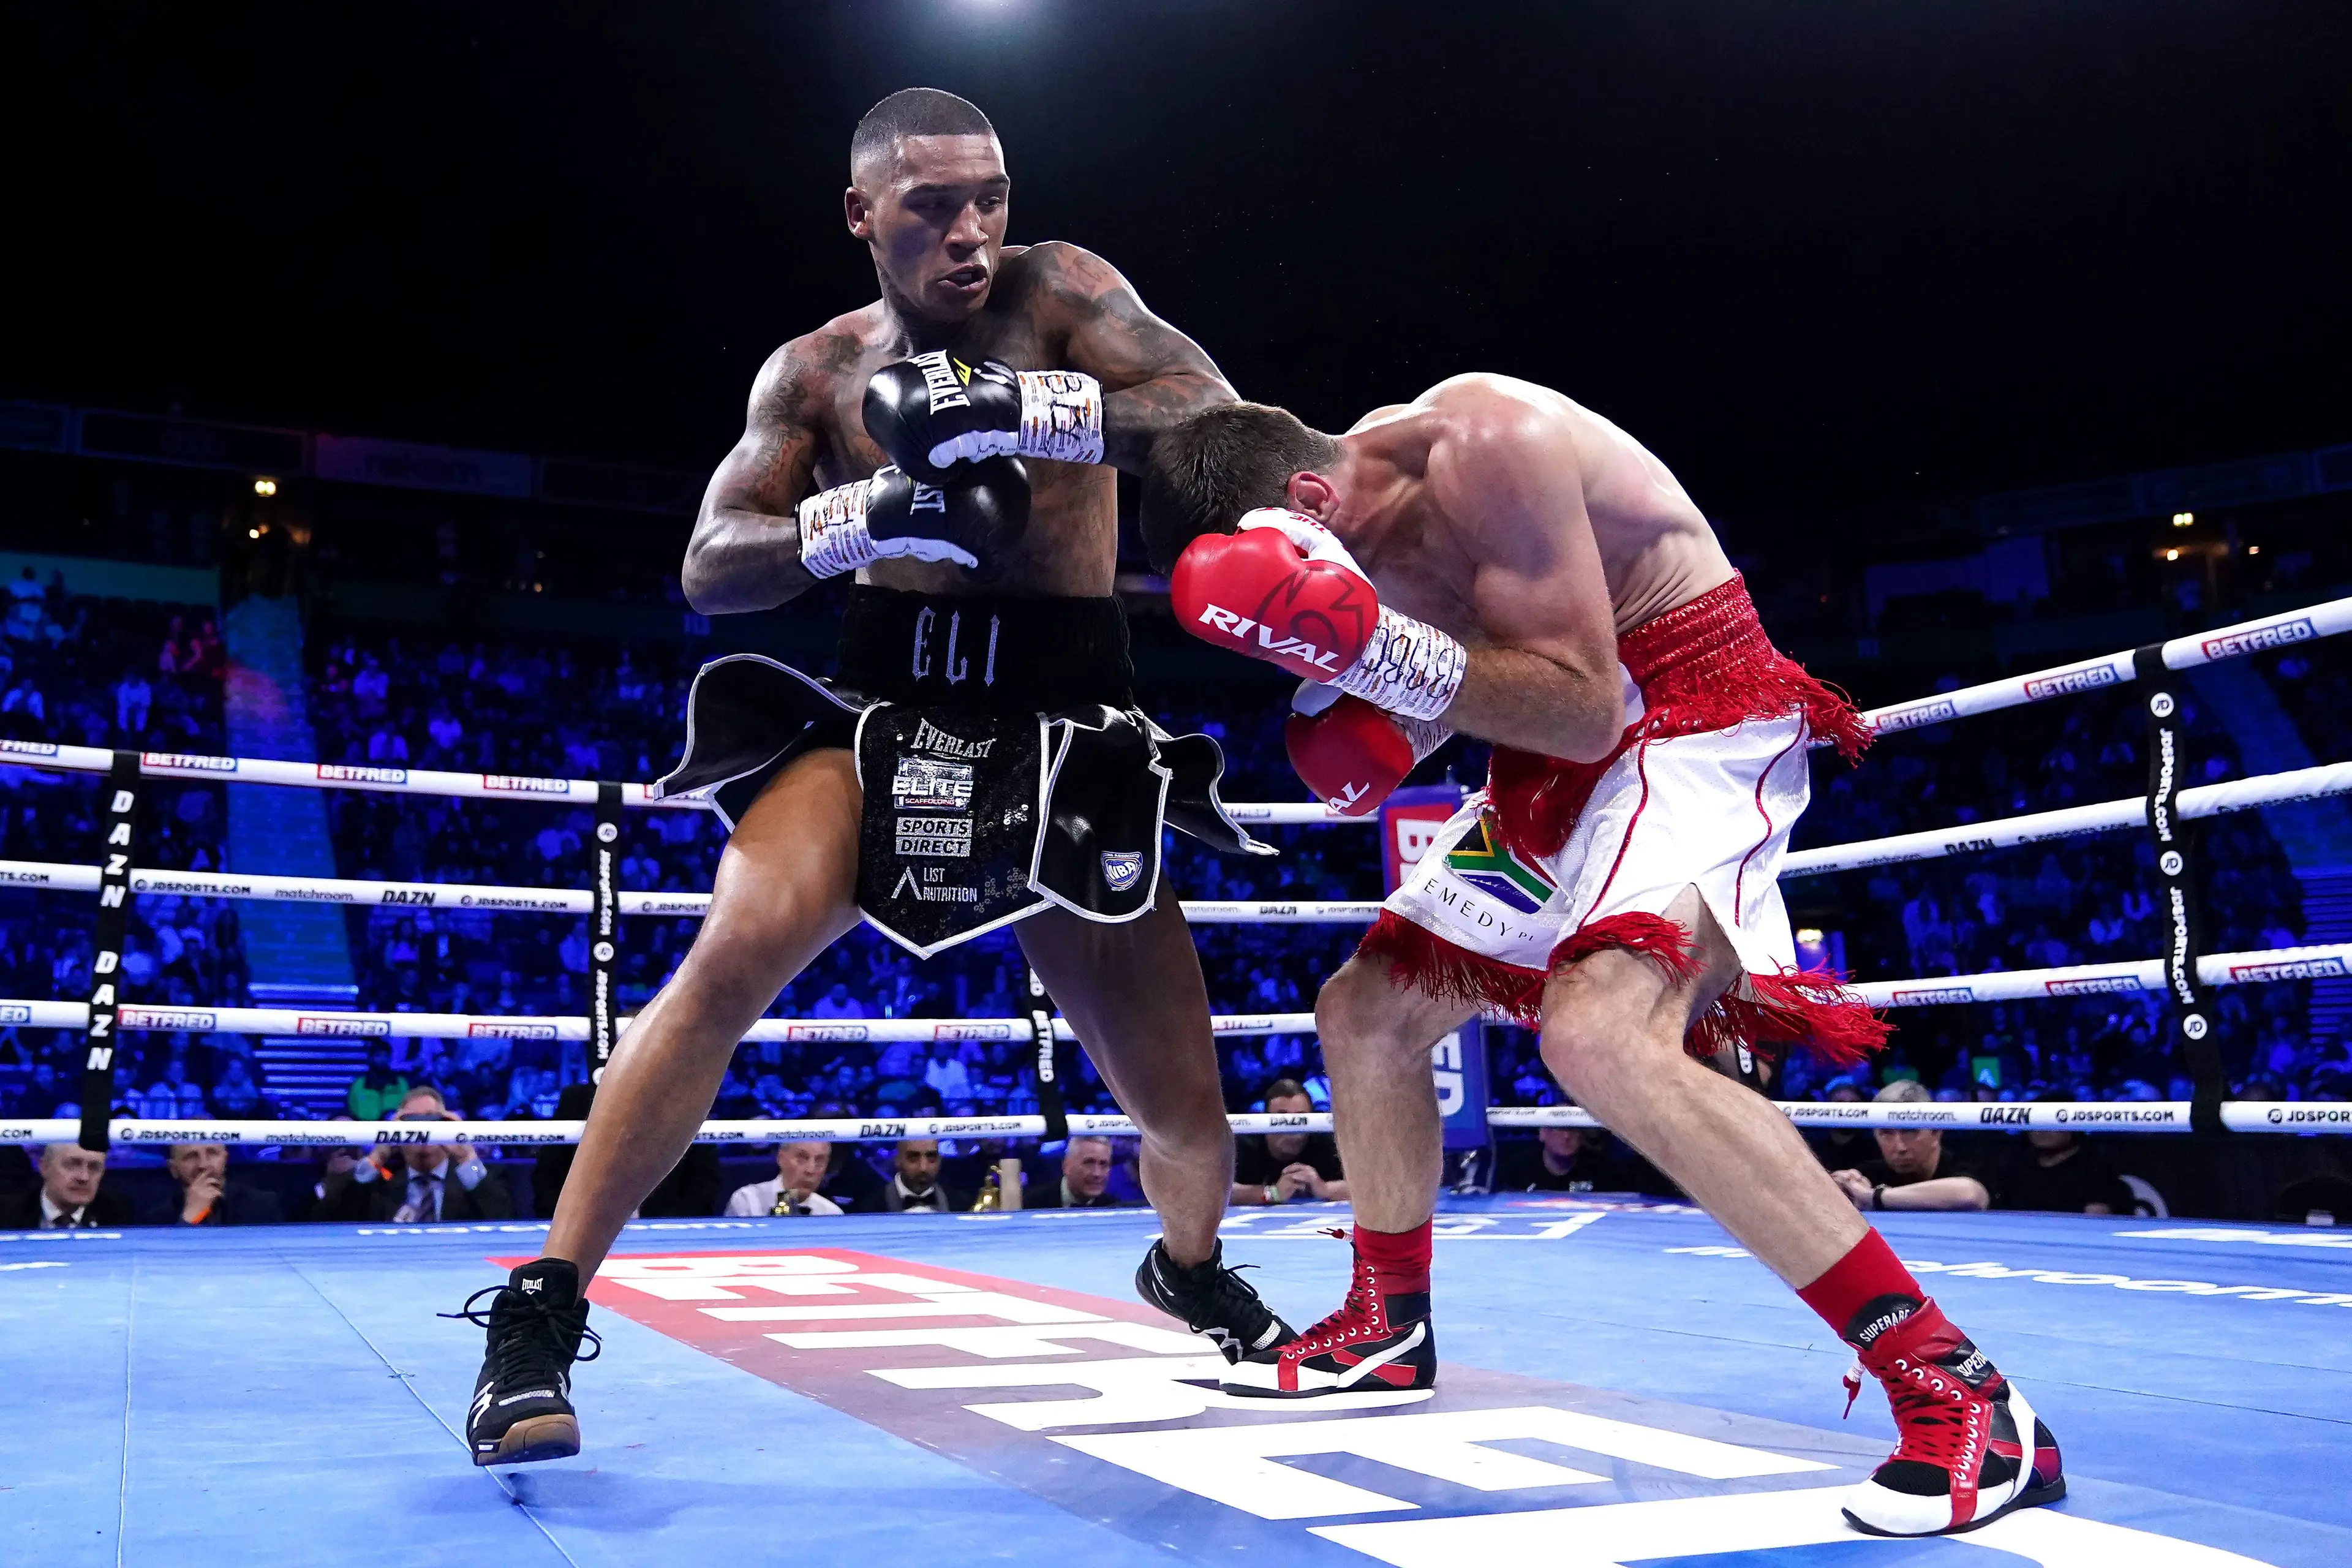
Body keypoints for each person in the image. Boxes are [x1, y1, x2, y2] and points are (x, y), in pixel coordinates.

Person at [459, 86, 1288, 1469]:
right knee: (737, 947)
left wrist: (1023, 404)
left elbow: (1214, 420)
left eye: (991, 199)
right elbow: (712, 563)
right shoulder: (816, 371)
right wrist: (869, 512)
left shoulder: (1067, 293)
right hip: (885, 703)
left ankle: (1189, 1266)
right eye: (933, 207)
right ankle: (538, 1309)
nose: (973, 233)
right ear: (862, 215)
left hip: (1068, 717)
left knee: (1184, 1115)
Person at [1139, 382, 2063, 1538]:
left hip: (1691, 719)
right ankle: (1387, 1324)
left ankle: (1958, 1390)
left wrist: (1379, 652)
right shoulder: (1347, 531)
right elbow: (1480, 677)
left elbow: (1582, 704)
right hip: (1559, 758)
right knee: (1364, 1012)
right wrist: (1381, 699)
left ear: (1311, 501)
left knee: (1599, 1036)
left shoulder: (1489, 442)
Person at [315, 1088, 514, 1223]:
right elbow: (332, 1219)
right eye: (413, 1120)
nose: (423, 1129)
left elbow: (505, 1218)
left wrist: (467, 1157)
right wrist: (377, 1157)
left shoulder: (478, 1177)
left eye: (431, 1119)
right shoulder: (379, 1182)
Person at [1830, 1082, 1993, 1213]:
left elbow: (1969, 1195)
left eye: (1909, 1131)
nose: (1900, 1147)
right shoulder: (1873, 1172)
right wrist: (1842, 1182)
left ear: (1936, 1132)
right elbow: (1845, 1185)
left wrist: (1874, 1197)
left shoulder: (1966, 1161)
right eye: (1886, 1133)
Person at [1229, 1078, 1348, 1205]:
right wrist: (1271, 1194)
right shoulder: (1245, 1144)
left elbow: (1366, 1184)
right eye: (1282, 1117)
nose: (1291, 1128)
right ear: (1265, 1118)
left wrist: (1326, 1189)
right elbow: (1216, 1189)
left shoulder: (1328, 1141)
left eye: (1301, 1118)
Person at [1994, 1117, 2133, 1216]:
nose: (2042, 1130)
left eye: (2051, 1123)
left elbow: (2097, 1219)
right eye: (2037, 1123)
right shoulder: (2017, 1167)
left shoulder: (2095, 1169)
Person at [141, 1142, 285, 1226]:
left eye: (212, 1153)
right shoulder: (156, 1219)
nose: (203, 1165)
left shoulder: (263, 1206)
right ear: (174, 1169)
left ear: (225, 1158)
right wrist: (187, 1220)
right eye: (191, 1156)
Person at [2, 1144, 134, 1229]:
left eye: (94, 1168)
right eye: (72, 1165)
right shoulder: (7, 1213)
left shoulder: (118, 1214)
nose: (84, 1177)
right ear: (44, 1167)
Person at [724, 1140, 844, 1216]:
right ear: (781, 1158)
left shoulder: (832, 1213)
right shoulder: (747, 1200)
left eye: (819, 1161)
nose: (810, 1170)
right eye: (801, 1158)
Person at [851, 1138, 971, 1213]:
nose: (923, 1168)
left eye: (931, 1158)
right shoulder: (870, 1207)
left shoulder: (961, 1204)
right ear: (897, 1160)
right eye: (913, 1158)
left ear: (940, 1161)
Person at [1028, 1134, 1130, 1208]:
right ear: (1066, 1165)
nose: (1097, 1173)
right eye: (1089, 1163)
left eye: (1104, 1164)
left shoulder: (1112, 1208)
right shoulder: (1032, 1203)